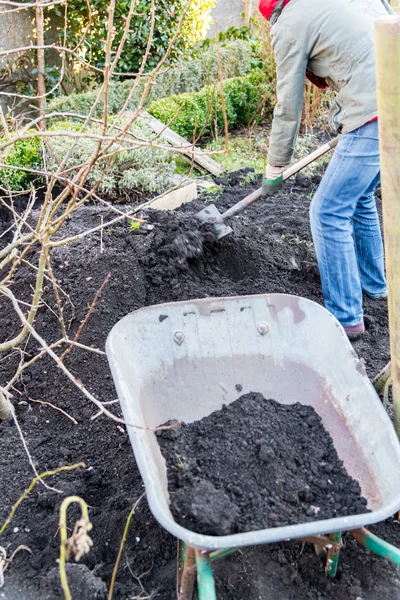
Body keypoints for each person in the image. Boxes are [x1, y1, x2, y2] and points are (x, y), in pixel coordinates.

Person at [259, 0, 394, 340]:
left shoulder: (288, 23)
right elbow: (357, 55)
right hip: (388, 92)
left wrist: (275, 165)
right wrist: (344, 120)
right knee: (359, 195)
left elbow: (287, 104)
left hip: (378, 104)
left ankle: (345, 318)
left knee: (327, 210)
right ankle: (375, 284)